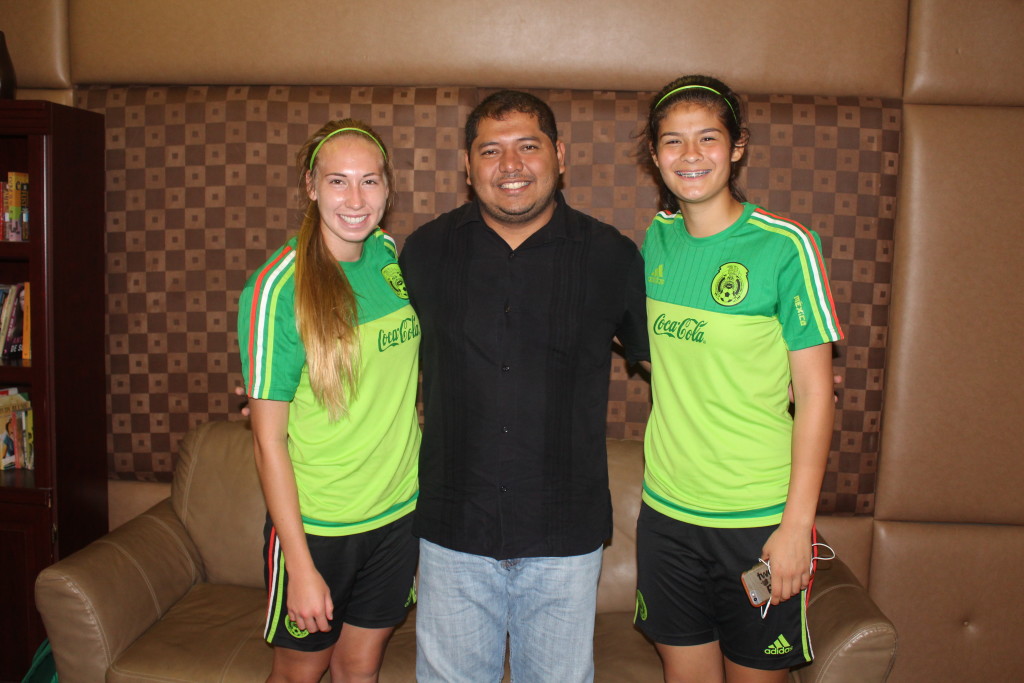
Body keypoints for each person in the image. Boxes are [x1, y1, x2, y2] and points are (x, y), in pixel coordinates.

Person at [398, 90, 649, 682]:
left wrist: (775, 376)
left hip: (563, 534)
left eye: (527, 147)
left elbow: (671, 363)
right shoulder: (425, 252)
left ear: (559, 155)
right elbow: (368, 351)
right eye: (491, 150)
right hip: (452, 531)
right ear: (467, 165)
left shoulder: (610, 256)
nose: (510, 166)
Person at [633, 74, 843, 682]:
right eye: (673, 142)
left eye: (707, 138)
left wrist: (795, 526)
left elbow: (816, 397)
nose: (690, 156)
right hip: (667, 517)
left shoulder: (785, 247)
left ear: (737, 146)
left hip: (757, 520)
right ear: (655, 155)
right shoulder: (657, 241)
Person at [237, 119, 421, 683]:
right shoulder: (277, 289)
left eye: (369, 181)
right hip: (320, 526)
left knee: (359, 669)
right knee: (299, 675)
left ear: (389, 190)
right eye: (338, 181)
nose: (355, 199)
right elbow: (267, 441)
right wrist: (300, 563)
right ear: (311, 187)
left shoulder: (389, 257)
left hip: (398, 514)